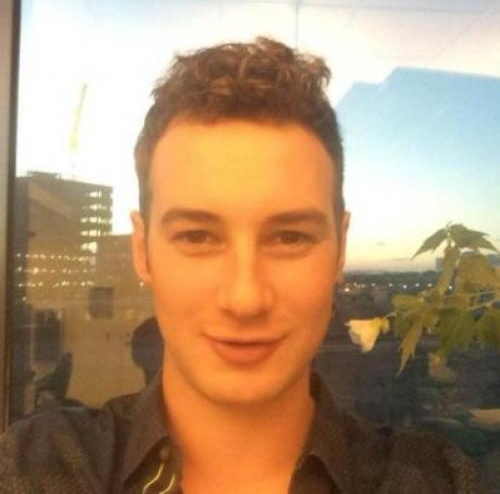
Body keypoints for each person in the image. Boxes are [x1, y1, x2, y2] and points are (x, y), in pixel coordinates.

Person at [0, 38, 484, 493]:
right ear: (143, 252)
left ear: (340, 250)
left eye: (290, 237)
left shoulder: (440, 482)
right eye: (197, 236)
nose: (246, 297)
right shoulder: (34, 467)